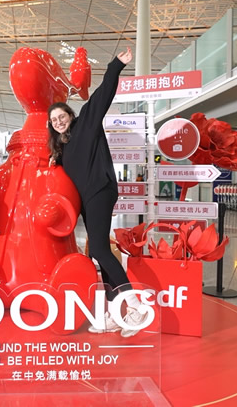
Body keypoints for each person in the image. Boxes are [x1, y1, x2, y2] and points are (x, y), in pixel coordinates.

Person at [47, 47, 150, 338]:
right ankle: (116, 312)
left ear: (70, 115)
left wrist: (116, 65)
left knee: (100, 250)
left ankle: (135, 304)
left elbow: (103, 94)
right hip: (88, 200)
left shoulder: (86, 123)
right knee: (98, 251)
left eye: (62, 116)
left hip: (100, 191)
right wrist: (55, 161)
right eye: (54, 120)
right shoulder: (62, 148)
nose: (59, 121)